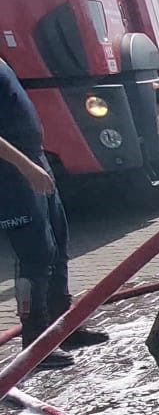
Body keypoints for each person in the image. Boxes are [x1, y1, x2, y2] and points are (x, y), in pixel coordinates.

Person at [0, 55, 109, 370]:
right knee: (36, 256)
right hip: (11, 173)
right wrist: (26, 166)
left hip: (32, 159)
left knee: (58, 244)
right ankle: (36, 343)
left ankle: (64, 327)